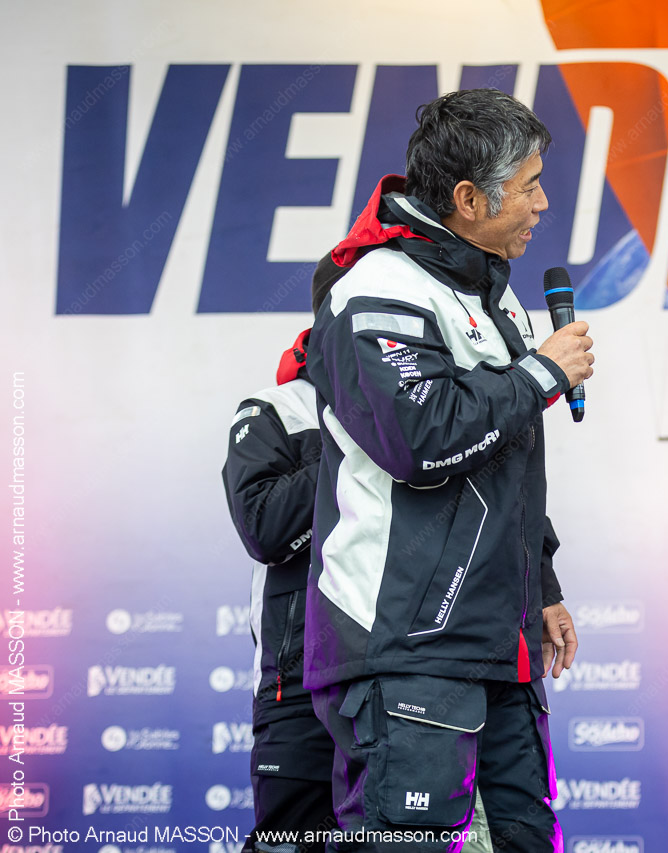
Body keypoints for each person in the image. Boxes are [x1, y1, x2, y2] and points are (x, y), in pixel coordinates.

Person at [304, 88, 591, 852]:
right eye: (529, 186)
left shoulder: (492, 294)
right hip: (408, 649)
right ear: (467, 199)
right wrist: (541, 374)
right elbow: (419, 438)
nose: (543, 203)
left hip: (499, 647)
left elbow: (500, 463)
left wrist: (542, 586)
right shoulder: (378, 288)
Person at [222, 330, 335, 853]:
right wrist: (353, 432)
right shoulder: (276, 408)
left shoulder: (425, 406)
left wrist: (542, 585)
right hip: (301, 685)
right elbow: (265, 529)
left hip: (407, 680)